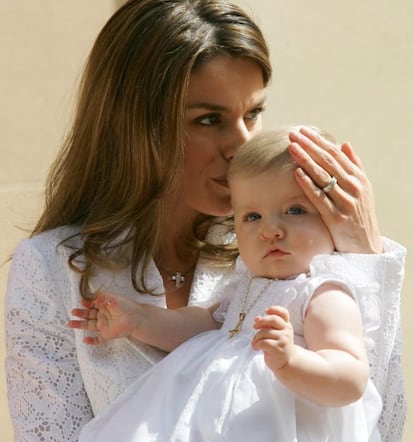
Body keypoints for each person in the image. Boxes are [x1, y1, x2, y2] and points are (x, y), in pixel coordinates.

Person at [3, 0, 405, 441]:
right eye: (209, 119)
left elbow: (378, 427)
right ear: (138, 125)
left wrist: (365, 258)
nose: (241, 144)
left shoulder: (296, 255)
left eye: (252, 114)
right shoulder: (53, 269)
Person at [72, 127, 383, 441]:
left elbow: (351, 379)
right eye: (252, 217)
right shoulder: (247, 285)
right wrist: (139, 319)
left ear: (333, 216)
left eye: (294, 211)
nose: (271, 230)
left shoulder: (323, 293)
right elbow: (206, 325)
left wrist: (291, 360)